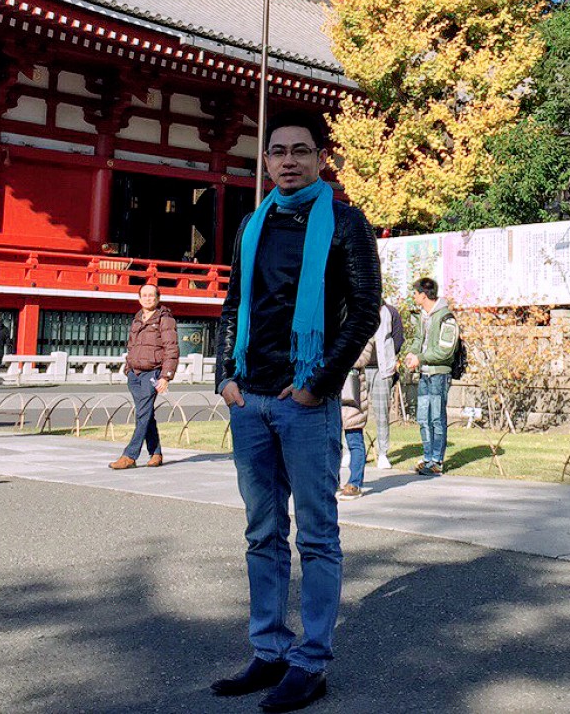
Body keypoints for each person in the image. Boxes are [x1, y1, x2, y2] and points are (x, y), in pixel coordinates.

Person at [210, 112, 381, 713]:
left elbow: (365, 310)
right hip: (249, 400)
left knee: (316, 534)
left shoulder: (345, 225)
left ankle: (311, 662)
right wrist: (223, 378)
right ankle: (269, 648)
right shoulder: (252, 225)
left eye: (301, 151)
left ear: (320, 158)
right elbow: (234, 304)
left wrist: (317, 385)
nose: (288, 160)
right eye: (277, 151)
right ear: (265, 162)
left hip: (304, 404)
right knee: (261, 531)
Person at [110, 283, 179, 469]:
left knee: (142, 413)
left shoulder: (165, 319)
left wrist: (166, 376)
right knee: (146, 413)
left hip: (152, 372)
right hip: (134, 374)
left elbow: (171, 349)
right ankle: (156, 453)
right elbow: (131, 346)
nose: (148, 298)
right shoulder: (137, 319)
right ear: (139, 298)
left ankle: (130, 455)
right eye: (144, 295)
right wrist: (128, 368)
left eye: (152, 295)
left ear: (158, 298)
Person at [401, 277, 459, 476]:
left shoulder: (446, 318)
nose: (414, 297)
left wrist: (421, 358)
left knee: (436, 417)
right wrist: (411, 353)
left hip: (439, 374)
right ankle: (426, 458)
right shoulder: (423, 316)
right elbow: (418, 339)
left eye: (415, 293)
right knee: (422, 418)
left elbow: (445, 352)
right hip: (424, 374)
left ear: (424, 295)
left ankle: (437, 461)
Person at [338, 339, 375, 499]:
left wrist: (338, 356)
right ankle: (332, 481)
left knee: (354, 439)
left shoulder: (362, 324)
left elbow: (363, 356)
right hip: (333, 388)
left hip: (352, 390)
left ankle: (355, 482)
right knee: (331, 443)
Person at [368, 303, 400, 469]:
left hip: (382, 370)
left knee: (382, 413)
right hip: (357, 368)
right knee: (352, 412)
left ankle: (383, 453)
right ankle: (349, 451)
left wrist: (390, 359)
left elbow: (398, 338)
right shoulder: (354, 306)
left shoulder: (390, 311)